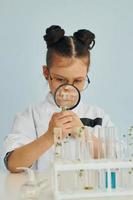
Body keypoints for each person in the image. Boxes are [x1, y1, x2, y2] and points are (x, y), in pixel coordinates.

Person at [3, 25, 113, 173]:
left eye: (78, 81)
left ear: (85, 76)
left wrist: (83, 133)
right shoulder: (31, 115)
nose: (68, 88)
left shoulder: (98, 116)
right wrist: (49, 136)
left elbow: (115, 159)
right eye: (61, 80)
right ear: (46, 73)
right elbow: (13, 164)